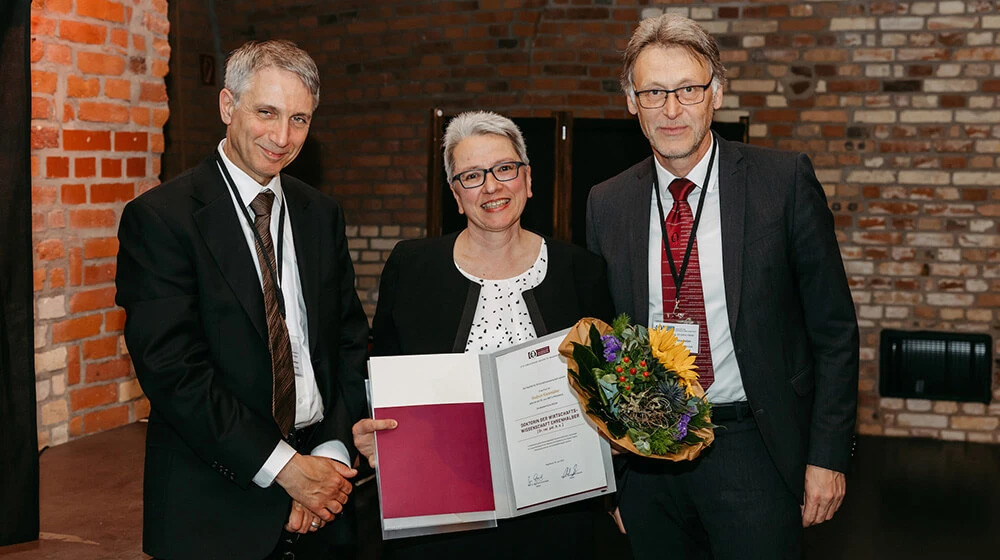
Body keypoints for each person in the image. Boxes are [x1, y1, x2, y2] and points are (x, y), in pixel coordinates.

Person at [585, 14, 860, 559]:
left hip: (754, 448)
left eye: (687, 89)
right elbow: (603, 343)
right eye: (654, 92)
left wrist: (827, 456)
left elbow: (834, 330)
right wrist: (609, 474)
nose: (671, 109)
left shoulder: (782, 182)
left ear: (716, 93)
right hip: (647, 459)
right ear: (630, 102)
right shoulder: (606, 201)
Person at [115, 40, 369, 560]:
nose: (282, 137)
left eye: (299, 119)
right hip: (214, 504)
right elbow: (174, 372)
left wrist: (328, 457)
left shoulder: (321, 213)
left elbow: (349, 339)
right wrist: (286, 470)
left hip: (327, 491)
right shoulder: (161, 219)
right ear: (228, 106)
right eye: (267, 113)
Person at [352, 111, 616, 559]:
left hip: (557, 514)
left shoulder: (582, 271)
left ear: (528, 180)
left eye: (504, 169)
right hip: (443, 516)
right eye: (472, 176)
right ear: (456, 195)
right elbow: (384, 373)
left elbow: (608, 387)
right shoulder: (412, 267)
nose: (491, 186)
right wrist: (370, 430)